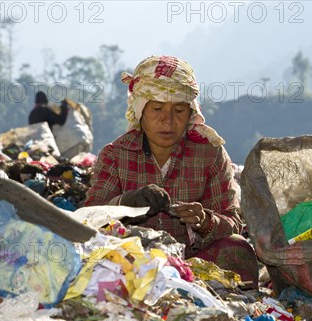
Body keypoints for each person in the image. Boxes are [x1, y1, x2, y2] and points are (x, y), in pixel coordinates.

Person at [84, 55, 259, 288]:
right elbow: (90, 217)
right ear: (140, 111)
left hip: (192, 264)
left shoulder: (210, 154)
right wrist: (126, 202)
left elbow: (231, 220)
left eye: (178, 111)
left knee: (237, 249)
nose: (167, 121)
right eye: (157, 109)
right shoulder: (115, 155)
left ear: (190, 113)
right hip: (132, 261)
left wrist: (204, 220)